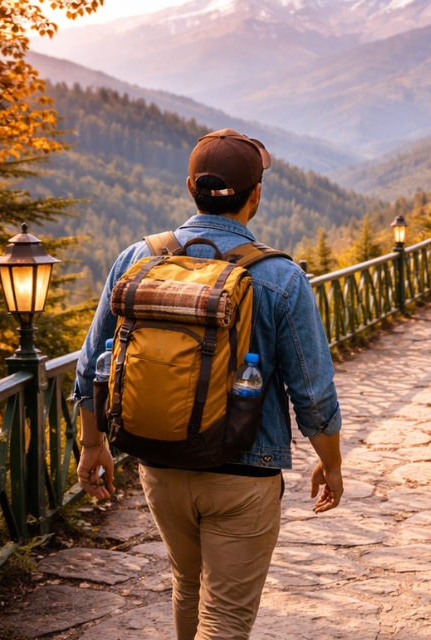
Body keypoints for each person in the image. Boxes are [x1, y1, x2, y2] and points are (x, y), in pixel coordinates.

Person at [73, 129, 344, 640]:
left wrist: (91, 445)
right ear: (255, 195)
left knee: (188, 586)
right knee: (225, 619)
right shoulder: (280, 277)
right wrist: (329, 463)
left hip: (159, 463)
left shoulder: (137, 258)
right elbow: (313, 392)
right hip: (244, 469)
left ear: (190, 187)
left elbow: (91, 368)